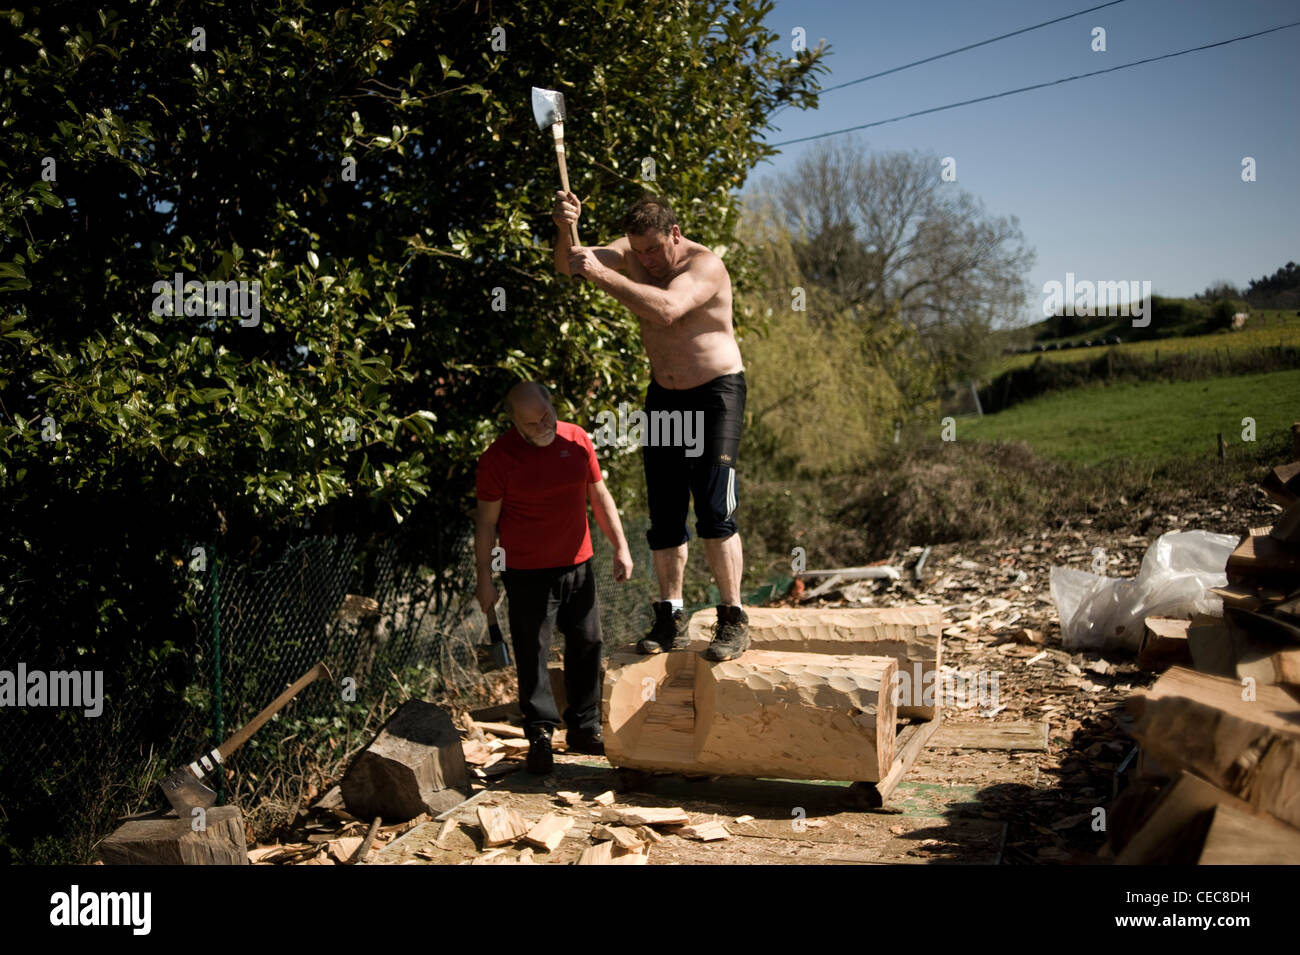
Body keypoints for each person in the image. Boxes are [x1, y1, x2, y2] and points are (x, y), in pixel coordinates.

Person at [551, 191, 750, 662]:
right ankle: (670, 616)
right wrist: (565, 227)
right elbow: (568, 265)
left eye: (654, 250)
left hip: (715, 393)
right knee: (664, 515)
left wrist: (599, 273)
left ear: (675, 235)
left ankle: (733, 618)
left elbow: (664, 309)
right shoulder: (629, 252)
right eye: (638, 252)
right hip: (665, 396)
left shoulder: (705, 266)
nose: (646, 260)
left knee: (714, 508)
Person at [475, 381, 633, 774]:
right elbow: (486, 525)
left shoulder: (577, 440)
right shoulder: (497, 459)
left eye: (545, 416)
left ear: (552, 403)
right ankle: (540, 734)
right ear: (514, 422)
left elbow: (599, 496)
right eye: (529, 424)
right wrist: (485, 577)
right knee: (533, 653)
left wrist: (621, 545)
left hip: (578, 564)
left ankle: (584, 726)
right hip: (526, 573)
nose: (541, 426)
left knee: (588, 642)